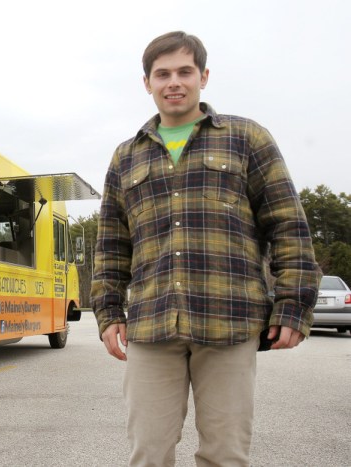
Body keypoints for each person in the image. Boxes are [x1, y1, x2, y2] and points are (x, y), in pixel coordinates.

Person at [91, 31, 320, 466]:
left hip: (229, 321)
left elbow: (288, 226)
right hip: (151, 325)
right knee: (148, 453)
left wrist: (293, 306)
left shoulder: (246, 138)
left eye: (184, 71)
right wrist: (107, 313)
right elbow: (111, 245)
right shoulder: (126, 157)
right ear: (147, 83)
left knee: (225, 454)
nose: (173, 82)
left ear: (204, 76)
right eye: (162, 74)